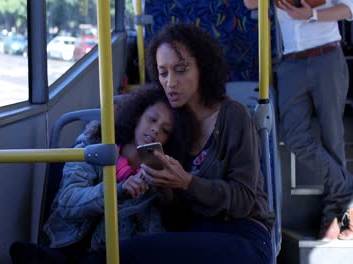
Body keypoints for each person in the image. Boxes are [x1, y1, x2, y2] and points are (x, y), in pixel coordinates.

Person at [113, 23, 274, 264]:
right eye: (163, 72)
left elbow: (242, 201)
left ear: (203, 68)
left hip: (242, 233)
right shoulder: (170, 125)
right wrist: (164, 188)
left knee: (124, 254)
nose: (170, 83)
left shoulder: (233, 116)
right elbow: (175, 216)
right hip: (191, 233)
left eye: (180, 70)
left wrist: (187, 182)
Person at [243, 0, 353, 240]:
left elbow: (349, 10)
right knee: (293, 136)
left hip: (327, 55)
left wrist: (311, 14)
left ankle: (334, 213)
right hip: (291, 61)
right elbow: (250, 3)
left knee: (332, 138)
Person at [41, 83, 194, 263]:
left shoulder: (157, 176)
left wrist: (165, 194)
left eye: (165, 130)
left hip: (110, 254)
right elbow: (67, 203)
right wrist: (118, 191)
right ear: (137, 115)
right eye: (152, 119)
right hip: (67, 243)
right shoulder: (94, 143)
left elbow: (150, 239)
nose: (155, 129)